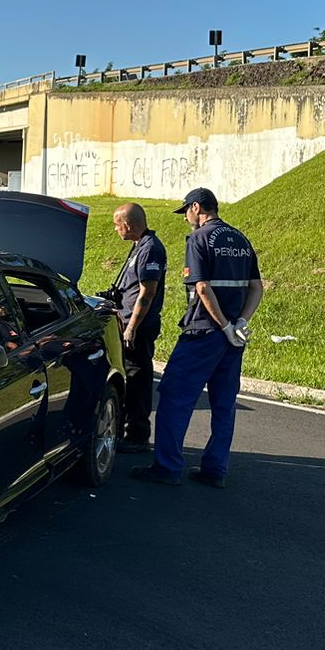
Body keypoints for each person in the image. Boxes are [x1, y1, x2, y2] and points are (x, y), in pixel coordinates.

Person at [130, 187, 263, 488]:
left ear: (196, 207)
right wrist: (239, 323)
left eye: (186, 211)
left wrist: (223, 326)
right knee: (223, 403)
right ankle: (215, 469)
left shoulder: (200, 239)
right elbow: (257, 287)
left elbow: (201, 288)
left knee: (175, 396)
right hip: (233, 339)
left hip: (203, 331)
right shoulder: (240, 238)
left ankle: (167, 467)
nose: (186, 217)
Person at [110, 202, 167, 449]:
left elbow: (147, 292)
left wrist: (132, 326)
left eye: (117, 225)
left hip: (139, 326)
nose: (115, 230)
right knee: (128, 377)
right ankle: (125, 430)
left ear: (128, 224)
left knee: (138, 379)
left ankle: (137, 435)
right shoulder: (138, 247)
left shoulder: (150, 249)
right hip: (126, 320)